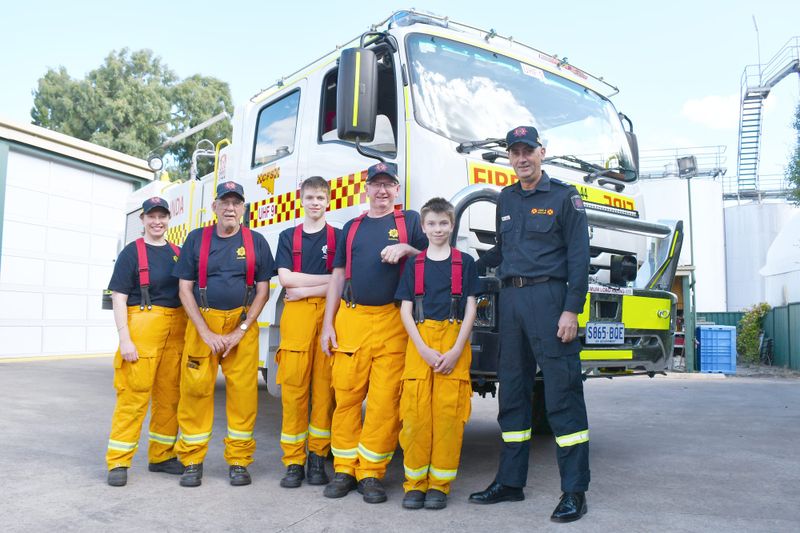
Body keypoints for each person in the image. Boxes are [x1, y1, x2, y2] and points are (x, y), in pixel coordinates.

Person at [468, 126, 591, 523]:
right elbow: (504, 251)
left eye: (528, 151)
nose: (521, 158)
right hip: (512, 302)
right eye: (514, 152)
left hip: (550, 300)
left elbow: (578, 256)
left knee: (562, 394)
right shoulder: (506, 198)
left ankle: (574, 490)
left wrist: (571, 309)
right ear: (509, 157)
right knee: (513, 393)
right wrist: (467, 264)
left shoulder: (564, 197)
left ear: (542, 152)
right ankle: (510, 482)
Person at [320, 161, 428, 504]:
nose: (382, 190)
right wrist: (327, 324)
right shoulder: (351, 227)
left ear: (397, 189)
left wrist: (408, 250)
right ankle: (344, 469)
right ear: (365, 189)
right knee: (347, 397)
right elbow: (338, 276)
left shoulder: (410, 221)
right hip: (350, 319)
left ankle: (370, 473)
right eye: (376, 184)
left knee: (384, 403)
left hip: (392, 322)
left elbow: (434, 255)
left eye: (388, 184)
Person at [172, 181, 274, 487]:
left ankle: (239, 461)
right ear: (214, 207)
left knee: (244, 397)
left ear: (243, 208)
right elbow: (184, 288)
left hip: (241, 327)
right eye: (224, 202)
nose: (230, 208)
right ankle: (191, 460)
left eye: (236, 203)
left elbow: (263, 291)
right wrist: (204, 332)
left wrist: (240, 331)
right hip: (204, 325)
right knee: (195, 392)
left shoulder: (256, 242)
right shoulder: (196, 240)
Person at [394, 197, 479, 510]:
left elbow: (471, 306)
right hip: (421, 343)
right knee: (415, 416)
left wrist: (457, 349)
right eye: (432, 223)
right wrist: (421, 347)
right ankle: (415, 484)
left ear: (452, 225)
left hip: (454, 341)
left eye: (444, 223)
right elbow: (405, 310)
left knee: (448, 417)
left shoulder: (464, 263)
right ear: (423, 226)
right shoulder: (414, 266)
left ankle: (439, 485)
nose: (438, 229)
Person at [105, 197, 187, 486]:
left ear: (168, 219)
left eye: (162, 216)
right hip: (142, 326)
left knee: (169, 396)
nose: (157, 222)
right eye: (152, 216)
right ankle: (119, 461)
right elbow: (118, 296)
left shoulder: (178, 252)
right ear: (143, 219)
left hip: (176, 328)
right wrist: (124, 338)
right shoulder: (131, 253)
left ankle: (162, 455)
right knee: (133, 395)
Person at [274, 176, 341, 488]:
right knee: (294, 389)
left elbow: (342, 280)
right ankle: (293, 462)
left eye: (320, 198)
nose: (315, 203)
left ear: (329, 201)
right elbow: (286, 280)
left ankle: (317, 459)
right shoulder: (289, 237)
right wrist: (321, 283)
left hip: (329, 314)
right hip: (297, 317)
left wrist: (306, 289)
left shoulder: (338, 238)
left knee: (324, 390)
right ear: (301, 200)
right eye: (310, 197)